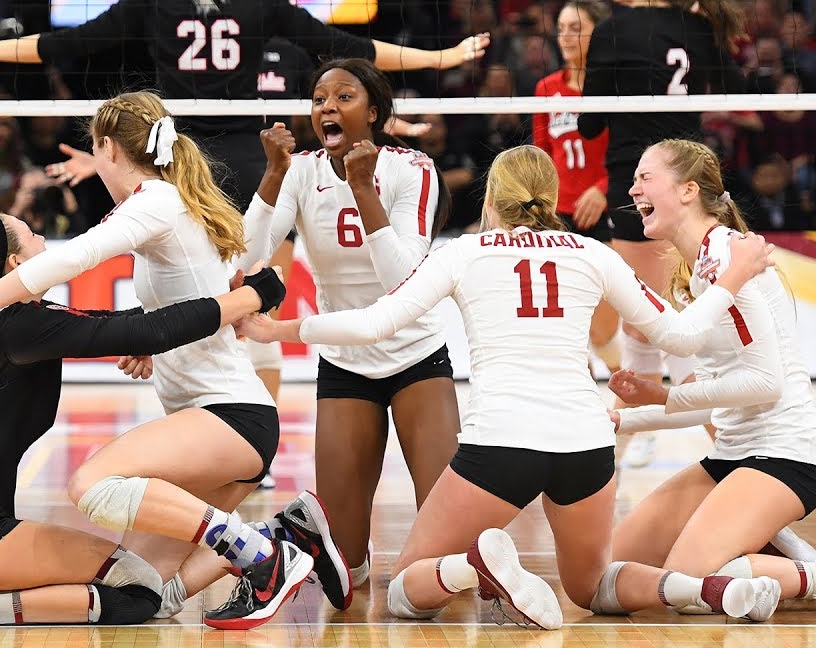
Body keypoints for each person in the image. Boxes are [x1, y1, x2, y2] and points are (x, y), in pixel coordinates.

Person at [237, 144, 784, 629]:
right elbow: (682, 337)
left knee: (405, 590)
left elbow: (376, 323)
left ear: (491, 200)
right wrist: (732, 279)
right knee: (592, 587)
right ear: (551, 197)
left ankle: (469, 566)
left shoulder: (465, 254)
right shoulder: (593, 254)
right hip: (585, 446)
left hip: (502, 443)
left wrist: (280, 328)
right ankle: (705, 590)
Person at [0, 91, 343, 630]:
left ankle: (263, 558)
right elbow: (211, 279)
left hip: (229, 414)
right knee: (144, 591)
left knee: (90, 485)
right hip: (211, 423)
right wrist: (153, 337)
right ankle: (290, 533)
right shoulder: (171, 202)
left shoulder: (156, 202)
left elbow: (73, 257)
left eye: (95, 153)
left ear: (106, 149)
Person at [0, 213, 290, 625]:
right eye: (34, 235)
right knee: (142, 589)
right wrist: (257, 294)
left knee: (130, 576)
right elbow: (147, 328)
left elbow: (131, 324)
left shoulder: (3, 322)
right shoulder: (18, 325)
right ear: (16, 262)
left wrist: (218, 304)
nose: (43, 238)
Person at [0, 0, 488, 213]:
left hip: (177, 156)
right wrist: (440, 58)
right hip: (248, 155)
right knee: (262, 289)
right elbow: (351, 49)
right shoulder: (259, 2)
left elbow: (63, 46)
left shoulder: (154, 0)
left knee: (184, 288)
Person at [607, 138, 816, 613]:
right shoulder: (700, 266)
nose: (632, 187)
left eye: (644, 176)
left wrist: (663, 397)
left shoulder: (725, 258)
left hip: (784, 457)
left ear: (687, 191)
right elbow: (712, 400)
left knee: (688, 580)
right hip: (733, 457)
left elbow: (767, 384)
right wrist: (625, 420)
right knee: (618, 565)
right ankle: (778, 549)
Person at [236, 58, 458, 607]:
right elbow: (249, 256)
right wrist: (271, 174)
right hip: (346, 362)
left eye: (343, 97)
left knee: (444, 548)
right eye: (319, 99)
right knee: (346, 566)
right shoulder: (301, 169)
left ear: (374, 112)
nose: (327, 107)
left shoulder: (412, 169)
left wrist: (363, 188)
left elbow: (401, 279)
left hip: (415, 356)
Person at [576, 0, 747, 437]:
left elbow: (588, 125)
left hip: (640, 187)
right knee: (673, 319)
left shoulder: (612, 30)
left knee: (659, 323)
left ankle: (714, 452)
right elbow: (732, 90)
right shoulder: (701, 26)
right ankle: (680, 449)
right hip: (695, 186)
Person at [532, 0, 619, 373]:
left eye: (576, 28)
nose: (566, 37)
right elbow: (541, 152)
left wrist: (602, 188)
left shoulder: (614, 86)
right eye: (562, 28)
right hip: (558, 217)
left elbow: (631, 151)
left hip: (607, 210)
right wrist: (540, 204)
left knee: (602, 330)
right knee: (562, 331)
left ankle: (628, 383)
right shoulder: (546, 87)